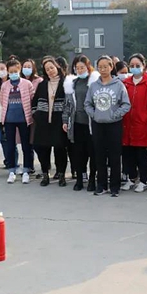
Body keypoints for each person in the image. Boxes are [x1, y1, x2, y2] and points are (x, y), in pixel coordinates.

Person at [85, 55, 131, 197]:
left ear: (111, 67)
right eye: (100, 67)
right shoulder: (93, 86)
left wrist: (115, 115)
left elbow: (126, 104)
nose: (103, 69)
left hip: (114, 125)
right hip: (98, 124)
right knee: (99, 156)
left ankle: (115, 186)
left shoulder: (118, 85)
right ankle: (101, 185)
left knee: (115, 156)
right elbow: (87, 103)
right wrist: (94, 114)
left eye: (106, 66)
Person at [63, 55, 100, 191]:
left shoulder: (95, 82)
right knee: (79, 153)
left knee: (93, 153)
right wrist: (65, 120)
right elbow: (67, 105)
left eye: (82, 67)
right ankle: (79, 179)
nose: (79, 70)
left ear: (88, 67)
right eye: (77, 68)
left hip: (91, 123)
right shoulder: (73, 83)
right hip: (77, 123)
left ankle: (92, 180)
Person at [121, 54, 147, 193]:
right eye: (132, 66)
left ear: (143, 65)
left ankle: (143, 180)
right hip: (127, 121)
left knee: (141, 152)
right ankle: (131, 178)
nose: (135, 68)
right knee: (128, 152)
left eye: (138, 65)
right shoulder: (126, 83)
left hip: (141, 123)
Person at [33, 56, 69, 187]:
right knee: (43, 148)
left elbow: (69, 103)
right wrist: (36, 114)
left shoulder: (66, 83)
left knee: (60, 149)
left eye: (52, 68)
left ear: (57, 67)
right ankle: (45, 174)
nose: (50, 71)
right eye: (47, 69)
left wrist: (66, 119)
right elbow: (34, 102)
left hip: (59, 122)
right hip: (43, 122)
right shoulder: (42, 84)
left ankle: (61, 174)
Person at [0, 59, 35, 184]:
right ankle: (11, 169)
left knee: (26, 145)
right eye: (11, 71)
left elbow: (32, 99)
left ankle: (26, 170)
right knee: (10, 145)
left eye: (16, 71)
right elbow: (2, 100)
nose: (13, 73)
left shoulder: (27, 84)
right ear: (8, 72)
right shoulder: (5, 85)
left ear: (19, 70)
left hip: (24, 119)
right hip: (9, 119)